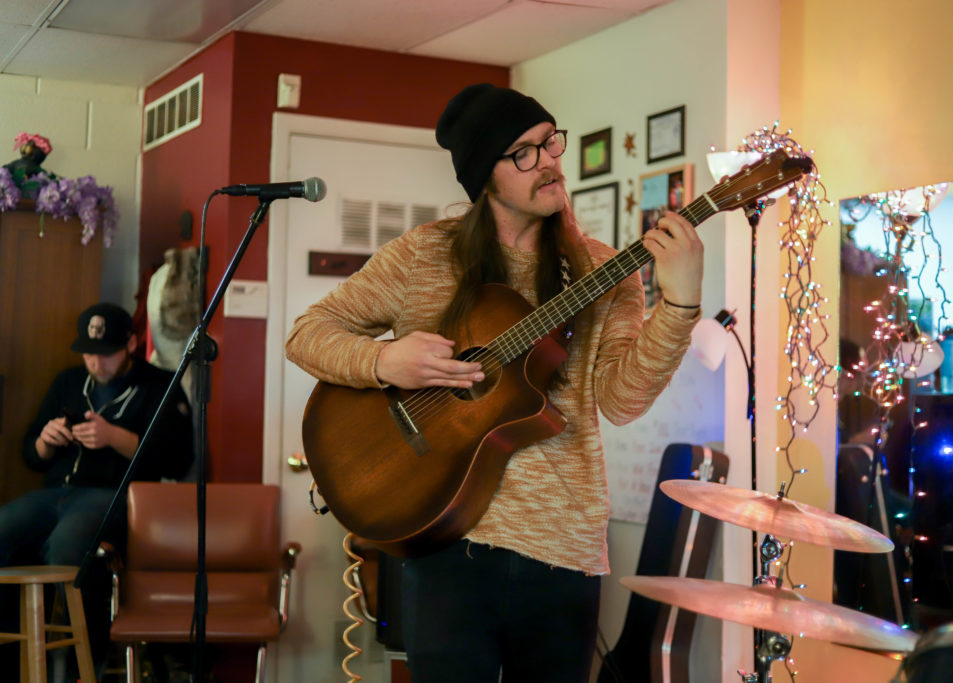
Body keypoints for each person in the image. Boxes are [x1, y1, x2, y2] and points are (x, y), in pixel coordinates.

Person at [285, 83, 704, 683]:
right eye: (523, 153)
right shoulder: (422, 256)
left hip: (564, 552)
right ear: (485, 177)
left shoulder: (604, 268)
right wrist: (386, 361)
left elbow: (621, 401)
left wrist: (680, 303)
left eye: (550, 142)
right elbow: (308, 333)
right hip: (444, 537)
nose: (550, 161)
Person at [0, 302, 195, 680]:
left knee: (69, 548)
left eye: (107, 354)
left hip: (117, 496)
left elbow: (178, 462)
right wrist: (46, 441)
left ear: (132, 344)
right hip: (55, 492)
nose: (96, 362)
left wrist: (116, 438)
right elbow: (31, 455)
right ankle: (14, 663)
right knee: (3, 531)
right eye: (89, 353)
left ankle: (81, 667)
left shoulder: (160, 384)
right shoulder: (69, 382)